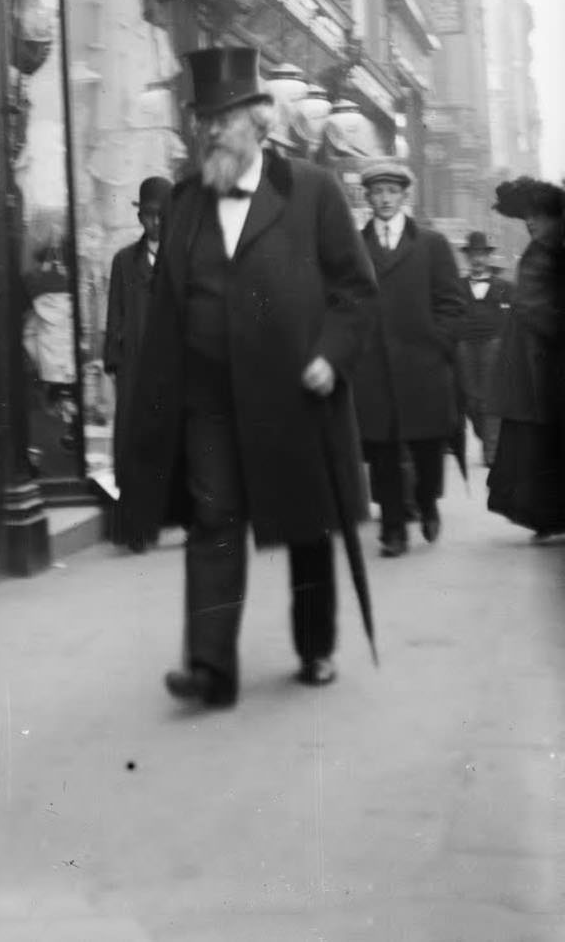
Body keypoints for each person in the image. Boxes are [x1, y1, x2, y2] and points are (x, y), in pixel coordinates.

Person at [129, 47, 377, 709]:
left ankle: (316, 645)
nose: (212, 131)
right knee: (212, 519)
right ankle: (210, 666)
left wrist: (331, 352)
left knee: (305, 520)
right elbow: (165, 307)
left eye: (226, 118)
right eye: (204, 119)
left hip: (294, 392)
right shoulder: (185, 202)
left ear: (260, 121)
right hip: (209, 395)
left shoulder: (312, 191)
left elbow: (356, 290)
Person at [352, 160, 466, 557]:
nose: (384, 199)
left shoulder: (431, 244)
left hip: (423, 365)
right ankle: (393, 529)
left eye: (391, 192)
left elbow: (452, 302)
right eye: (377, 192)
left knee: (427, 445)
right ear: (367, 197)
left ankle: (427, 501)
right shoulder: (354, 244)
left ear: (404, 197)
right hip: (372, 366)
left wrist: (439, 342)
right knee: (381, 449)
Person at [486, 179, 565, 541]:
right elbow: (536, 305)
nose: (532, 222)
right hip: (539, 365)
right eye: (528, 216)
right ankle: (547, 514)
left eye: (540, 216)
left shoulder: (548, 251)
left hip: (547, 363)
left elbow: (538, 304)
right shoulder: (542, 250)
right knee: (539, 442)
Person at [103, 176, 171, 552]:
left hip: (173, 366)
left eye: (161, 216)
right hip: (135, 365)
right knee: (132, 441)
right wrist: (112, 361)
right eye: (148, 216)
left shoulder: (182, 258)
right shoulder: (124, 261)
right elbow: (115, 313)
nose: (154, 224)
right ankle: (136, 527)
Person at [456, 229, 513, 468]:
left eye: (481, 254)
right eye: (473, 254)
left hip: (493, 346)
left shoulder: (503, 287)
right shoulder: (457, 286)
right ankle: (486, 438)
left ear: (488, 257)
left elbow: (515, 319)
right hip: (465, 346)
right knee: (471, 400)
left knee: (490, 399)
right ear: (468, 257)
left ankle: (491, 453)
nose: (477, 259)